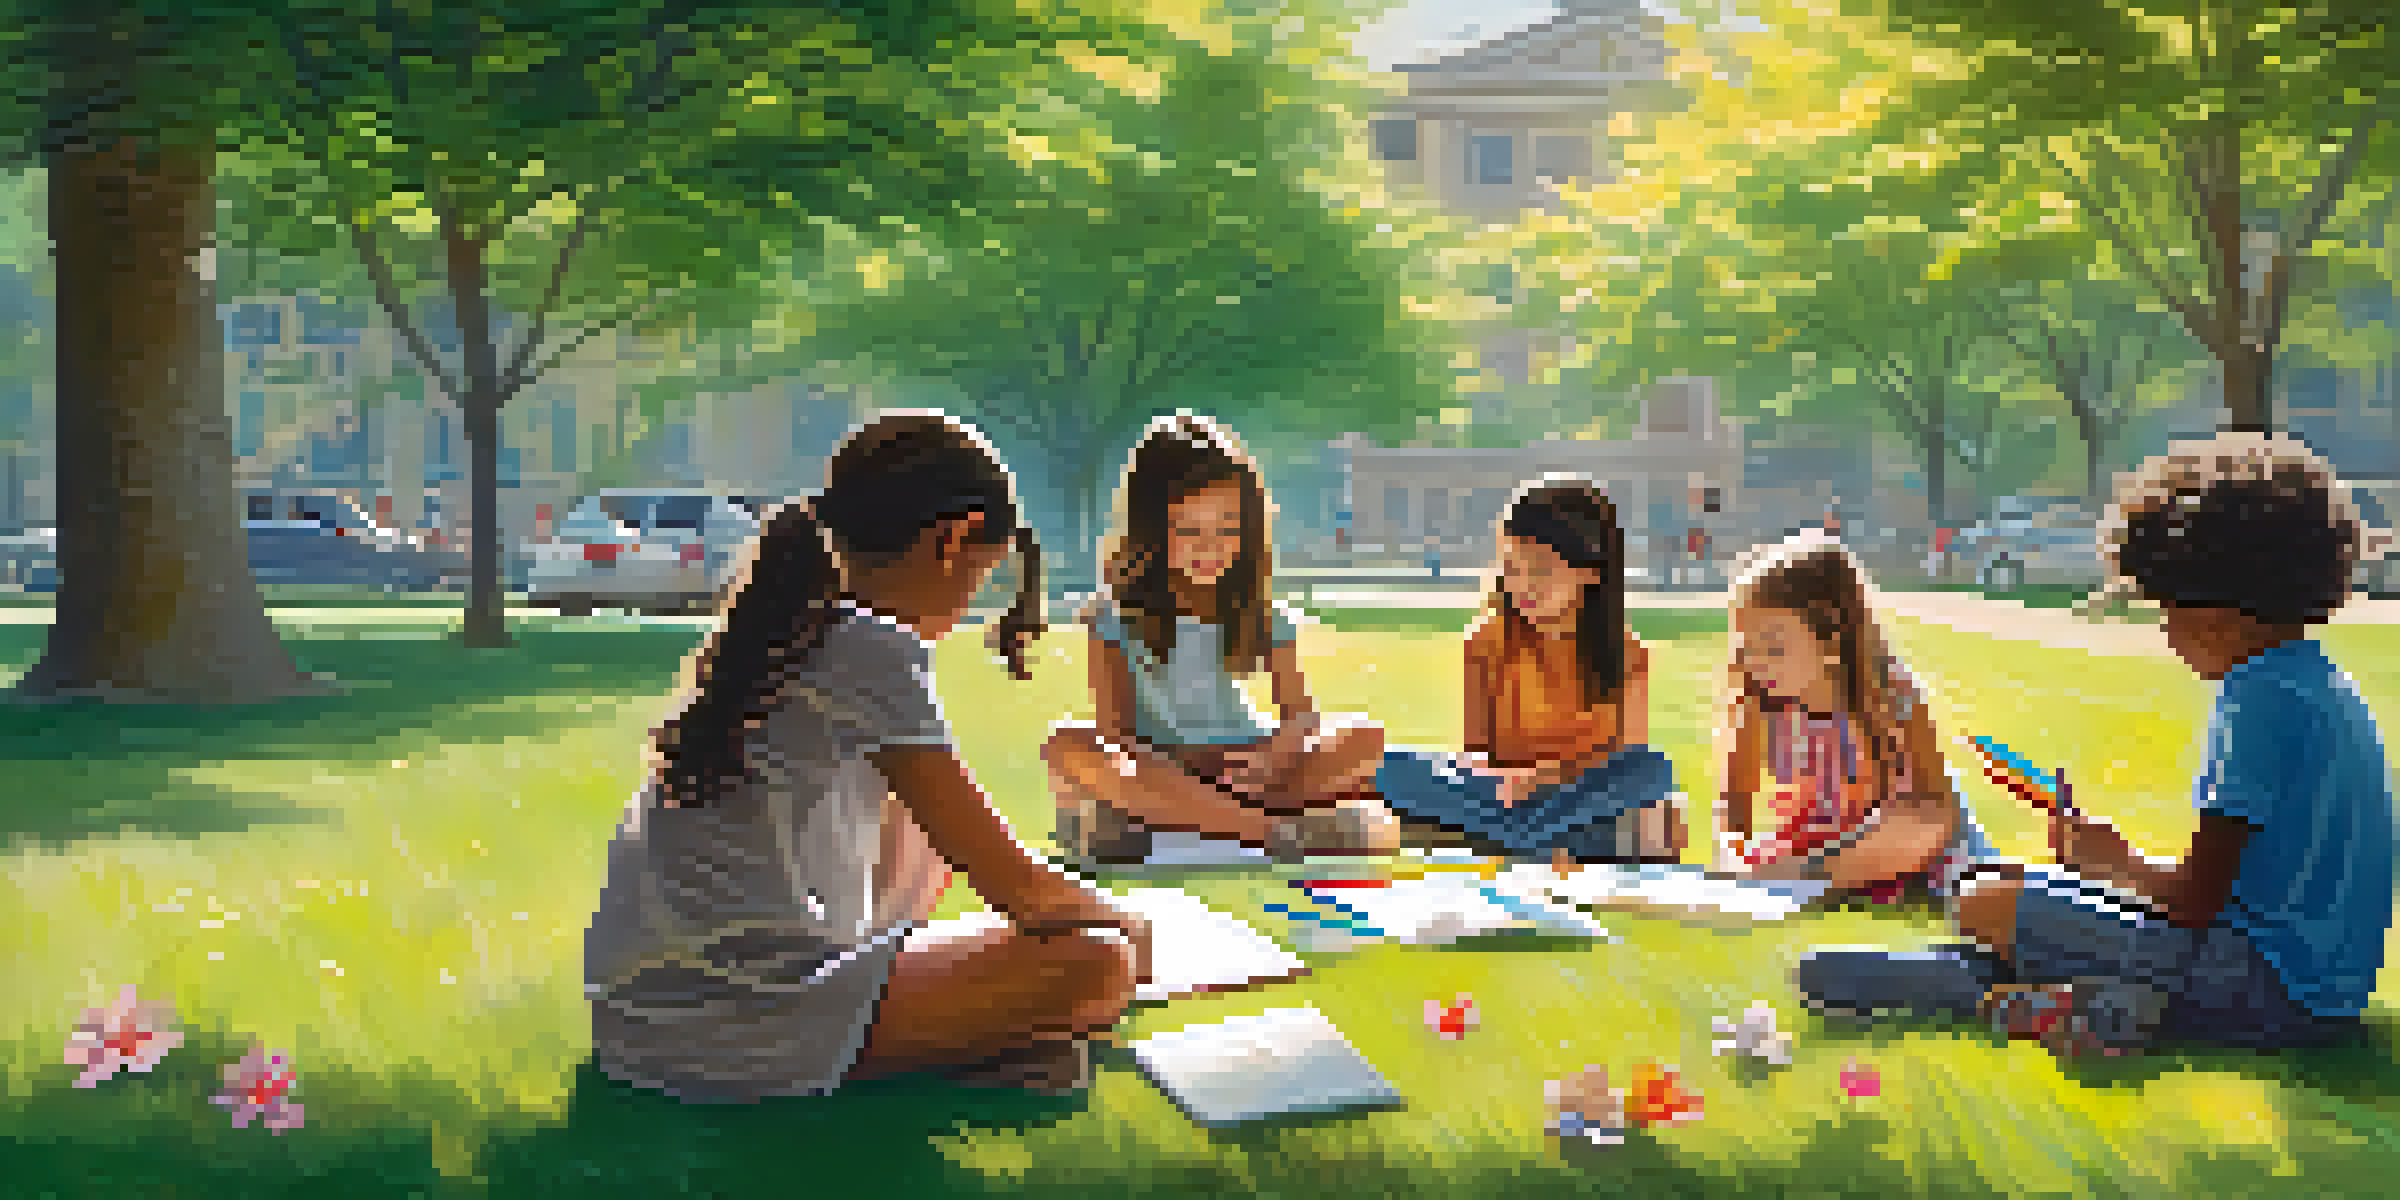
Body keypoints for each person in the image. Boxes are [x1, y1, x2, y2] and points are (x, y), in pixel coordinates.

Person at [584, 411, 1149, 1103]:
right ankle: (954, 1052)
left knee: (931, 839)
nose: (974, 602)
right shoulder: (869, 649)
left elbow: (963, 858)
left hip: (647, 1014)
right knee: (1099, 960)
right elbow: (1018, 889)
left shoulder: (803, 627)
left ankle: (965, 1046)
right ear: (953, 539)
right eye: (982, 575)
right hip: (720, 1022)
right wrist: (1125, 923)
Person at [1797, 433, 2393, 1057]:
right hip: (2321, 992)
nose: (2165, 630)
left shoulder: (2258, 701)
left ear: (2215, 614)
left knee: (1981, 897)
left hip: (2268, 990)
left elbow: (2193, 901)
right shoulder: (2318, 681)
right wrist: (2105, 873)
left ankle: (2056, 998)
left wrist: (2120, 864)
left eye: (2167, 609)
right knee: (2002, 882)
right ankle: (2017, 989)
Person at [1041, 412, 1398, 866]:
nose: (1209, 548)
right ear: (1151, 531)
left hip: (1246, 761)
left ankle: (1180, 822)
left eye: (1226, 531)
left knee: (1364, 737)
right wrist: (1174, 769)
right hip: (1162, 766)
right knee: (1069, 745)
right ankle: (1270, 831)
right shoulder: (1111, 615)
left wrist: (1272, 757)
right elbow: (1117, 734)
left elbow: (1302, 716)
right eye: (1189, 531)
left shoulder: (1260, 613)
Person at [1377, 475, 1685, 866]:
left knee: (1651, 769)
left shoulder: (1627, 655)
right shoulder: (1486, 642)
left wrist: (1545, 778)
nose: (1522, 584)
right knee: (1387, 764)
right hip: (1499, 794)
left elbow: (1621, 761)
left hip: (1575, 794)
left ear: (1591, 571)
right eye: (1511, 568)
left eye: (1538, 570)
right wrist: (1500, 779)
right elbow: (1475, 752)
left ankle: (1524, 839)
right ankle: (1540, 840)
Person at [1714, 532, 1999, 902]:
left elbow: (1936, 809)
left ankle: (1820, 878)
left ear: (1831, 638)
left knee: (1909, 826)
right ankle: (1813, 877)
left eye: (1773, 648)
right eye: (1747, 645)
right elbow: (1737, 795)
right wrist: (1734, 857)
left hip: (1905, 840)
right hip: (1823, 843)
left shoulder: (1890, 694)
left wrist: (1851, 853)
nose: (1756, 662)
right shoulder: (1756, 700)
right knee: (1774, 858)